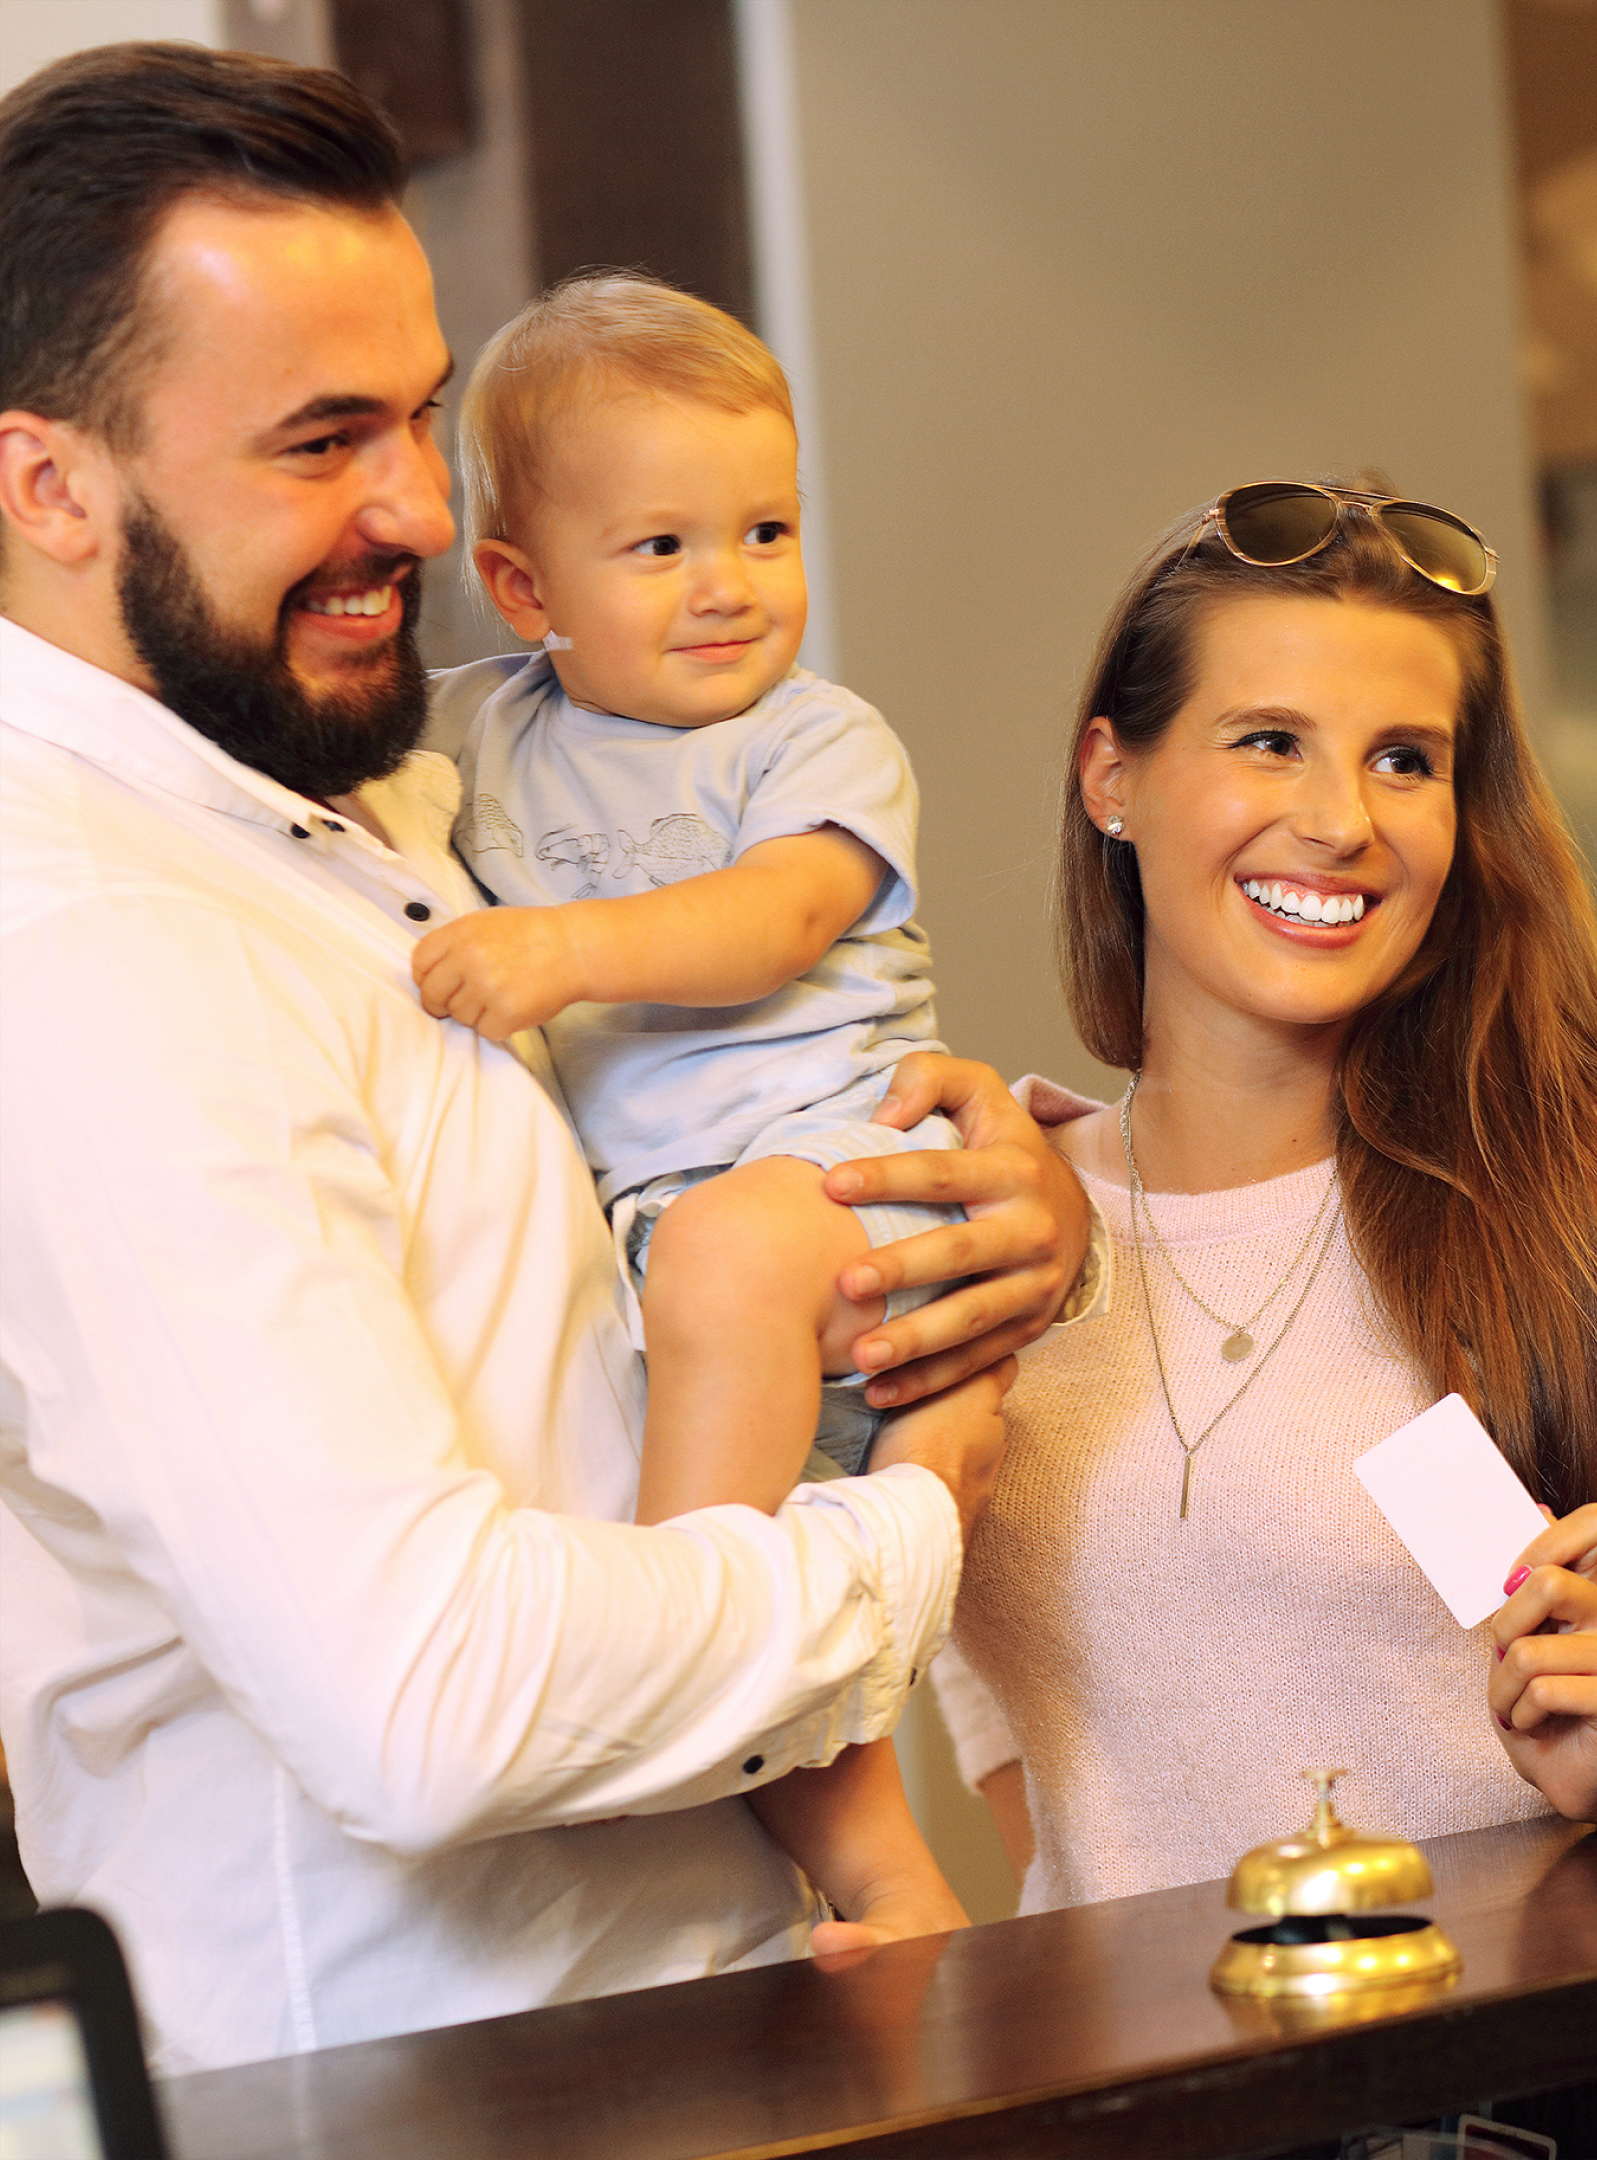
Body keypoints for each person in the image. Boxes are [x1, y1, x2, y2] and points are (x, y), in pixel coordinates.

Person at [0, 44, 1091, 2074]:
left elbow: (673, 1131)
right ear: (48, 484)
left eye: (418, 417)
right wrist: (907, 1522)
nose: (418, 508)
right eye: (324, 442)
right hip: (422, 2100)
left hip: (689, 2038)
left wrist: (989, 1188)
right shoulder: (89, 951)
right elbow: (433, 1700)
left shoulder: (365, 805)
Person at [931, 481, 1597, 1911]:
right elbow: (982, 1677)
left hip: (1530, 2103)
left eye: (1406, 760)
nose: (1340, 823)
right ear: (1111, 776)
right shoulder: (996, 1234)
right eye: (1269, 742)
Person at [413, 269, 980, 1949]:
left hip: (853, 1193)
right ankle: (885, 1881)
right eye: (661, 548)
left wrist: (564, 949)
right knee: (763, 1541)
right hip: (683, 1254)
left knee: (724, 1351)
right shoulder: (473, 737)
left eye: (766, 532)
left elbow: (778, 921)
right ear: (521, 583)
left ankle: (687, 1664)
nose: (728, 588)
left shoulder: (815, 738)